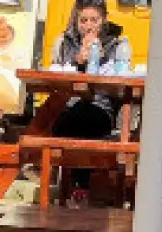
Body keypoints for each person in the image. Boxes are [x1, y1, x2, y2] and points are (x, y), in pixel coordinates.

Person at [49, 0, 124, 207]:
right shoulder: (64, 41)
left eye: (94, 20)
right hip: (69, 106)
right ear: (76, 20)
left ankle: (77, 186)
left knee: (85, 117)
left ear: (104, 20)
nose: (88, 26)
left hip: (101, 109)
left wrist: (98, 59)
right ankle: (79, 187)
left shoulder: (116, 45)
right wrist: (77, 61)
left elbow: (119, 84)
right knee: (71, 117)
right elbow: (56, 75)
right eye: (83, 21)